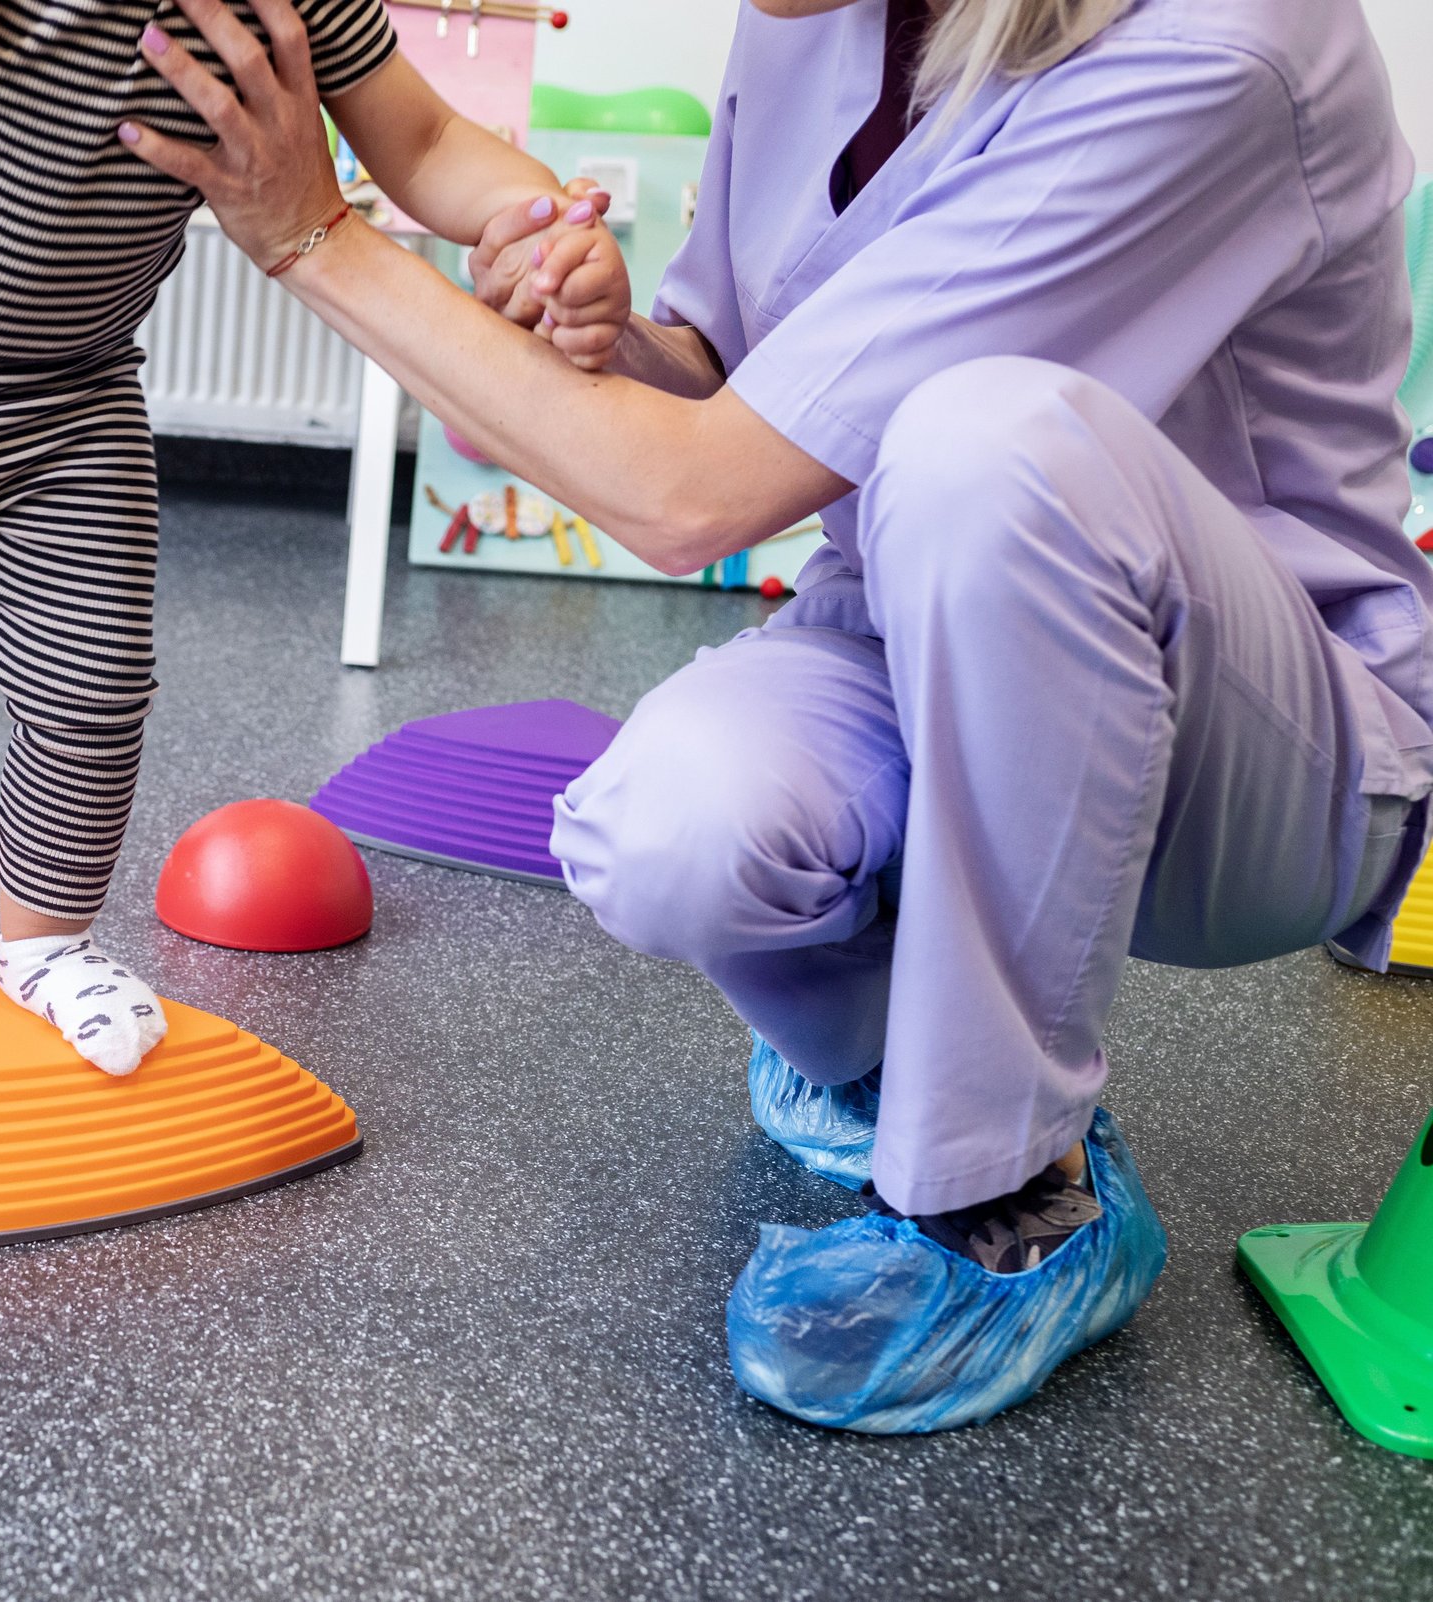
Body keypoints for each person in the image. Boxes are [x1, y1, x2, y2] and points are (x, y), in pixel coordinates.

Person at [122, 0, 1431, 1430]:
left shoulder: (1220, 46)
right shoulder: (813, 15)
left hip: (1260, 743)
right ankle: (894, 1055)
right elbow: (731, 386)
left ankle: (1011, 1191)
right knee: (669, 827)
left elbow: (696, 493)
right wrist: (608, 333)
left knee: (988, 443)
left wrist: (313, 236)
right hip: (903, 633)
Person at [0, 0, 630, 1107]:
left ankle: (45, 948)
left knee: (92, 689)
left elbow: (426, 142)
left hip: (76, 397)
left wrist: (536, 222)